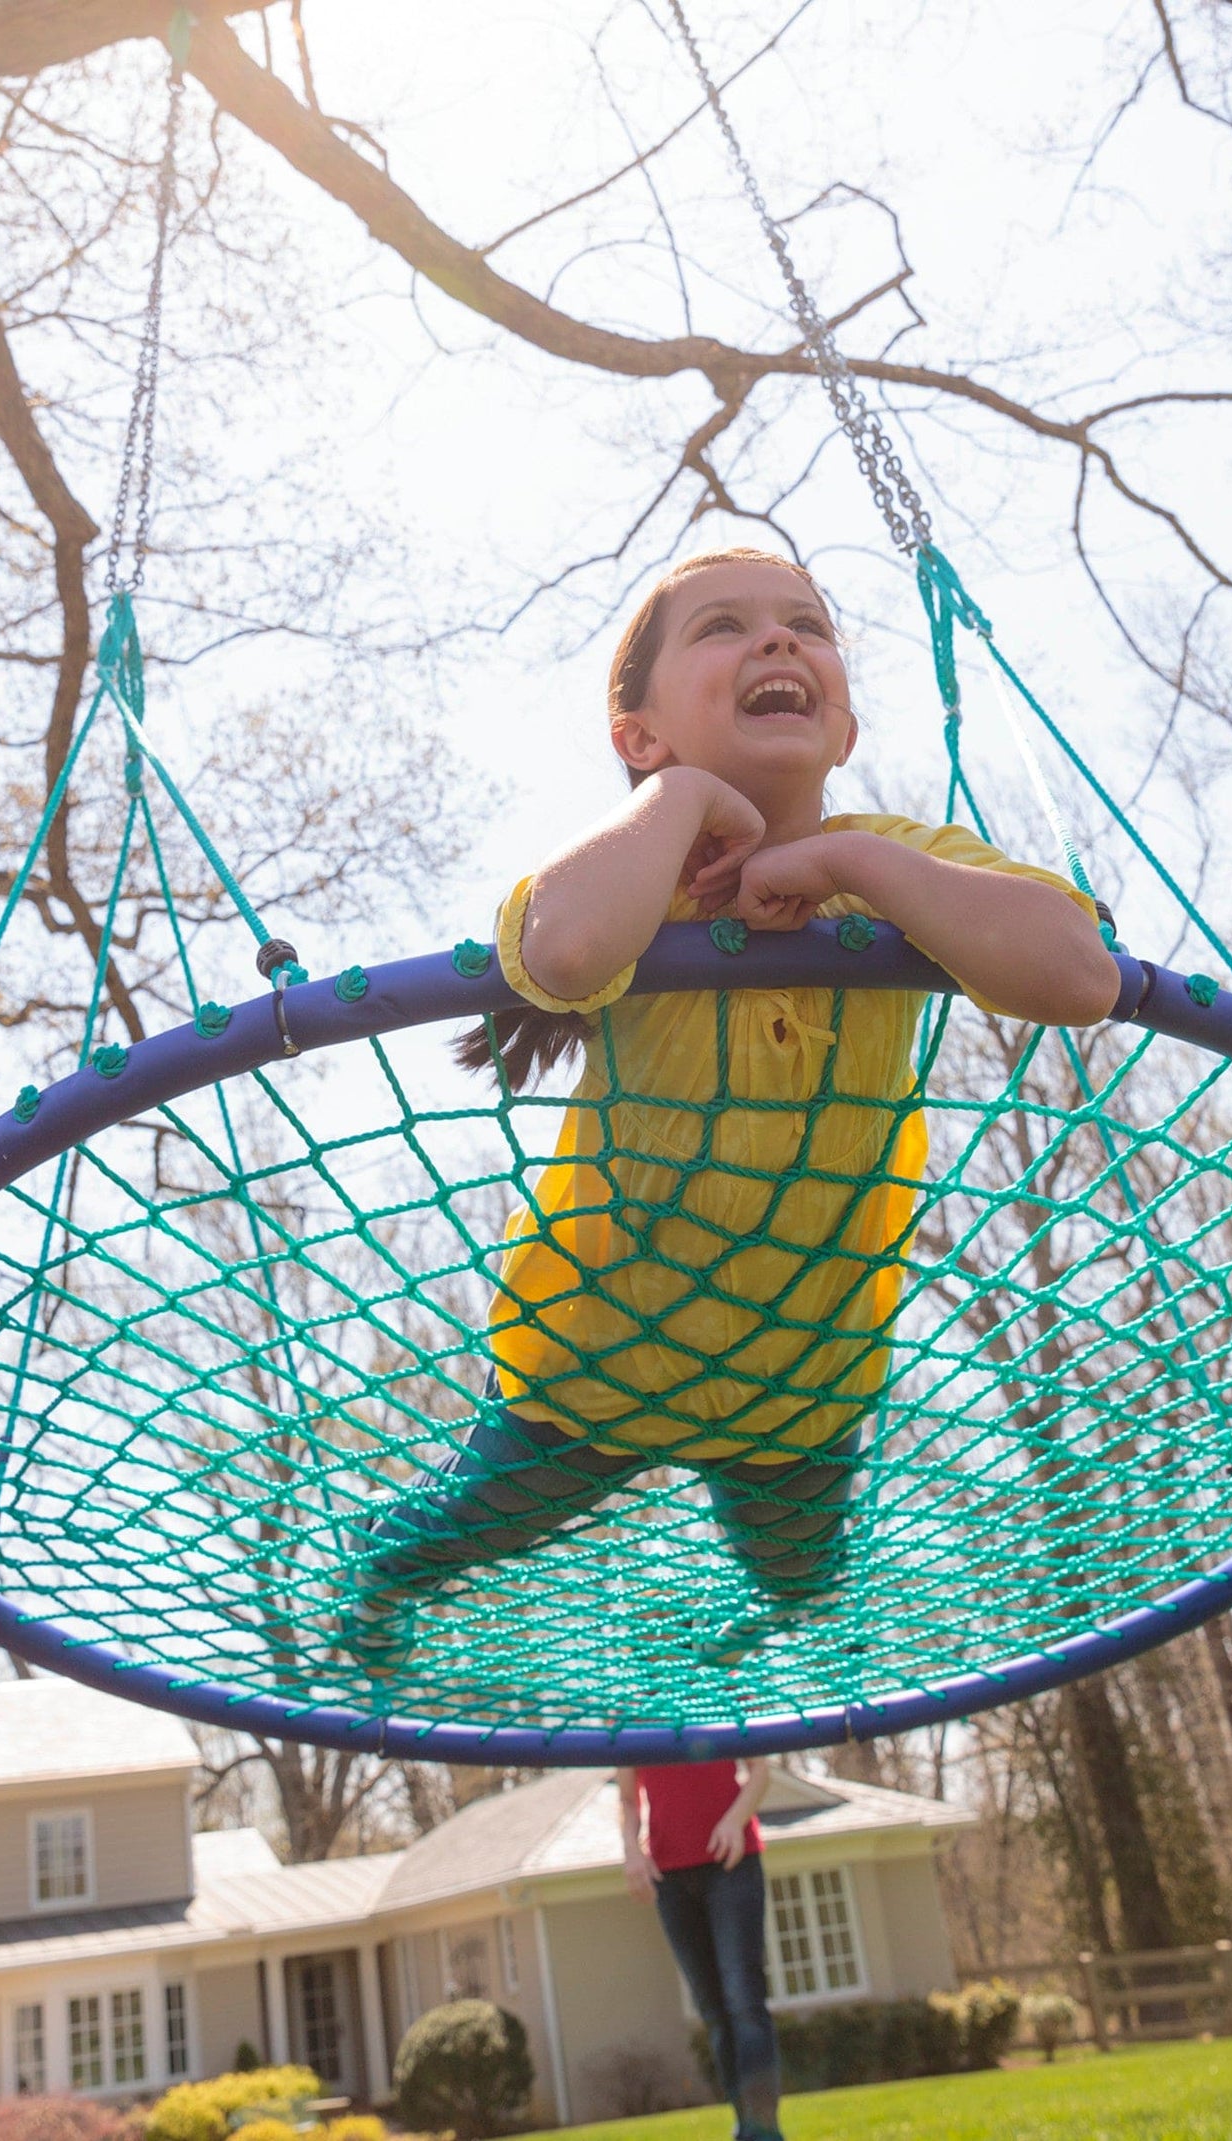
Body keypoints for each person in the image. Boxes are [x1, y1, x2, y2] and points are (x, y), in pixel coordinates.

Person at [343, 547, 1117, 1664]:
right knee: (461, 1529)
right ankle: (378, 1579)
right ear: (637, 733)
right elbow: (561, 951)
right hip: (591, 1357)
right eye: (722, 626)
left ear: (840, 730)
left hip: (803, 1380)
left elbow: (1079, 976)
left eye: (807, 622)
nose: (777, 638)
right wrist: (682, 799)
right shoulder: (633, 871)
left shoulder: (897, 859)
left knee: (801, 1583)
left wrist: (848, 858)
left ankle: (749, 1628)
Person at [618, 1757, 781, 2141]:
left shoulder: (722, 1693)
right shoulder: (628, 1706)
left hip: (732, 1862)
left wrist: (734, 1820)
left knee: (743, 1999)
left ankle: (764, 2131)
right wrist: (631, 1850)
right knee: (714, 2009)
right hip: (670, 1877)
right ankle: (747, 2125)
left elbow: (761, 1770)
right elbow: (627, 1798)